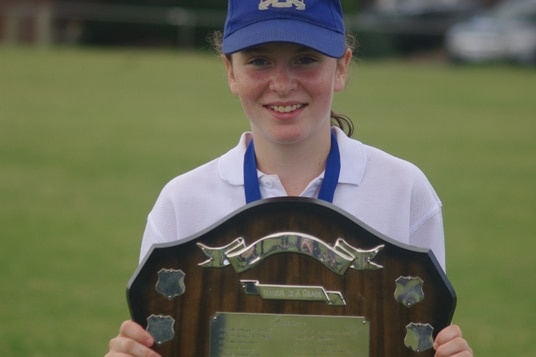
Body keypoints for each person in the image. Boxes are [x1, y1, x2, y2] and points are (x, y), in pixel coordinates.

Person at [106, 0, 473, 356]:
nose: (282, 84)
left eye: (305, 59)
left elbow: (417, 328)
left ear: (341, 67)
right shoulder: (182, 201)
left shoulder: (404, 190)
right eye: (259, 61)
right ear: (230, 72)